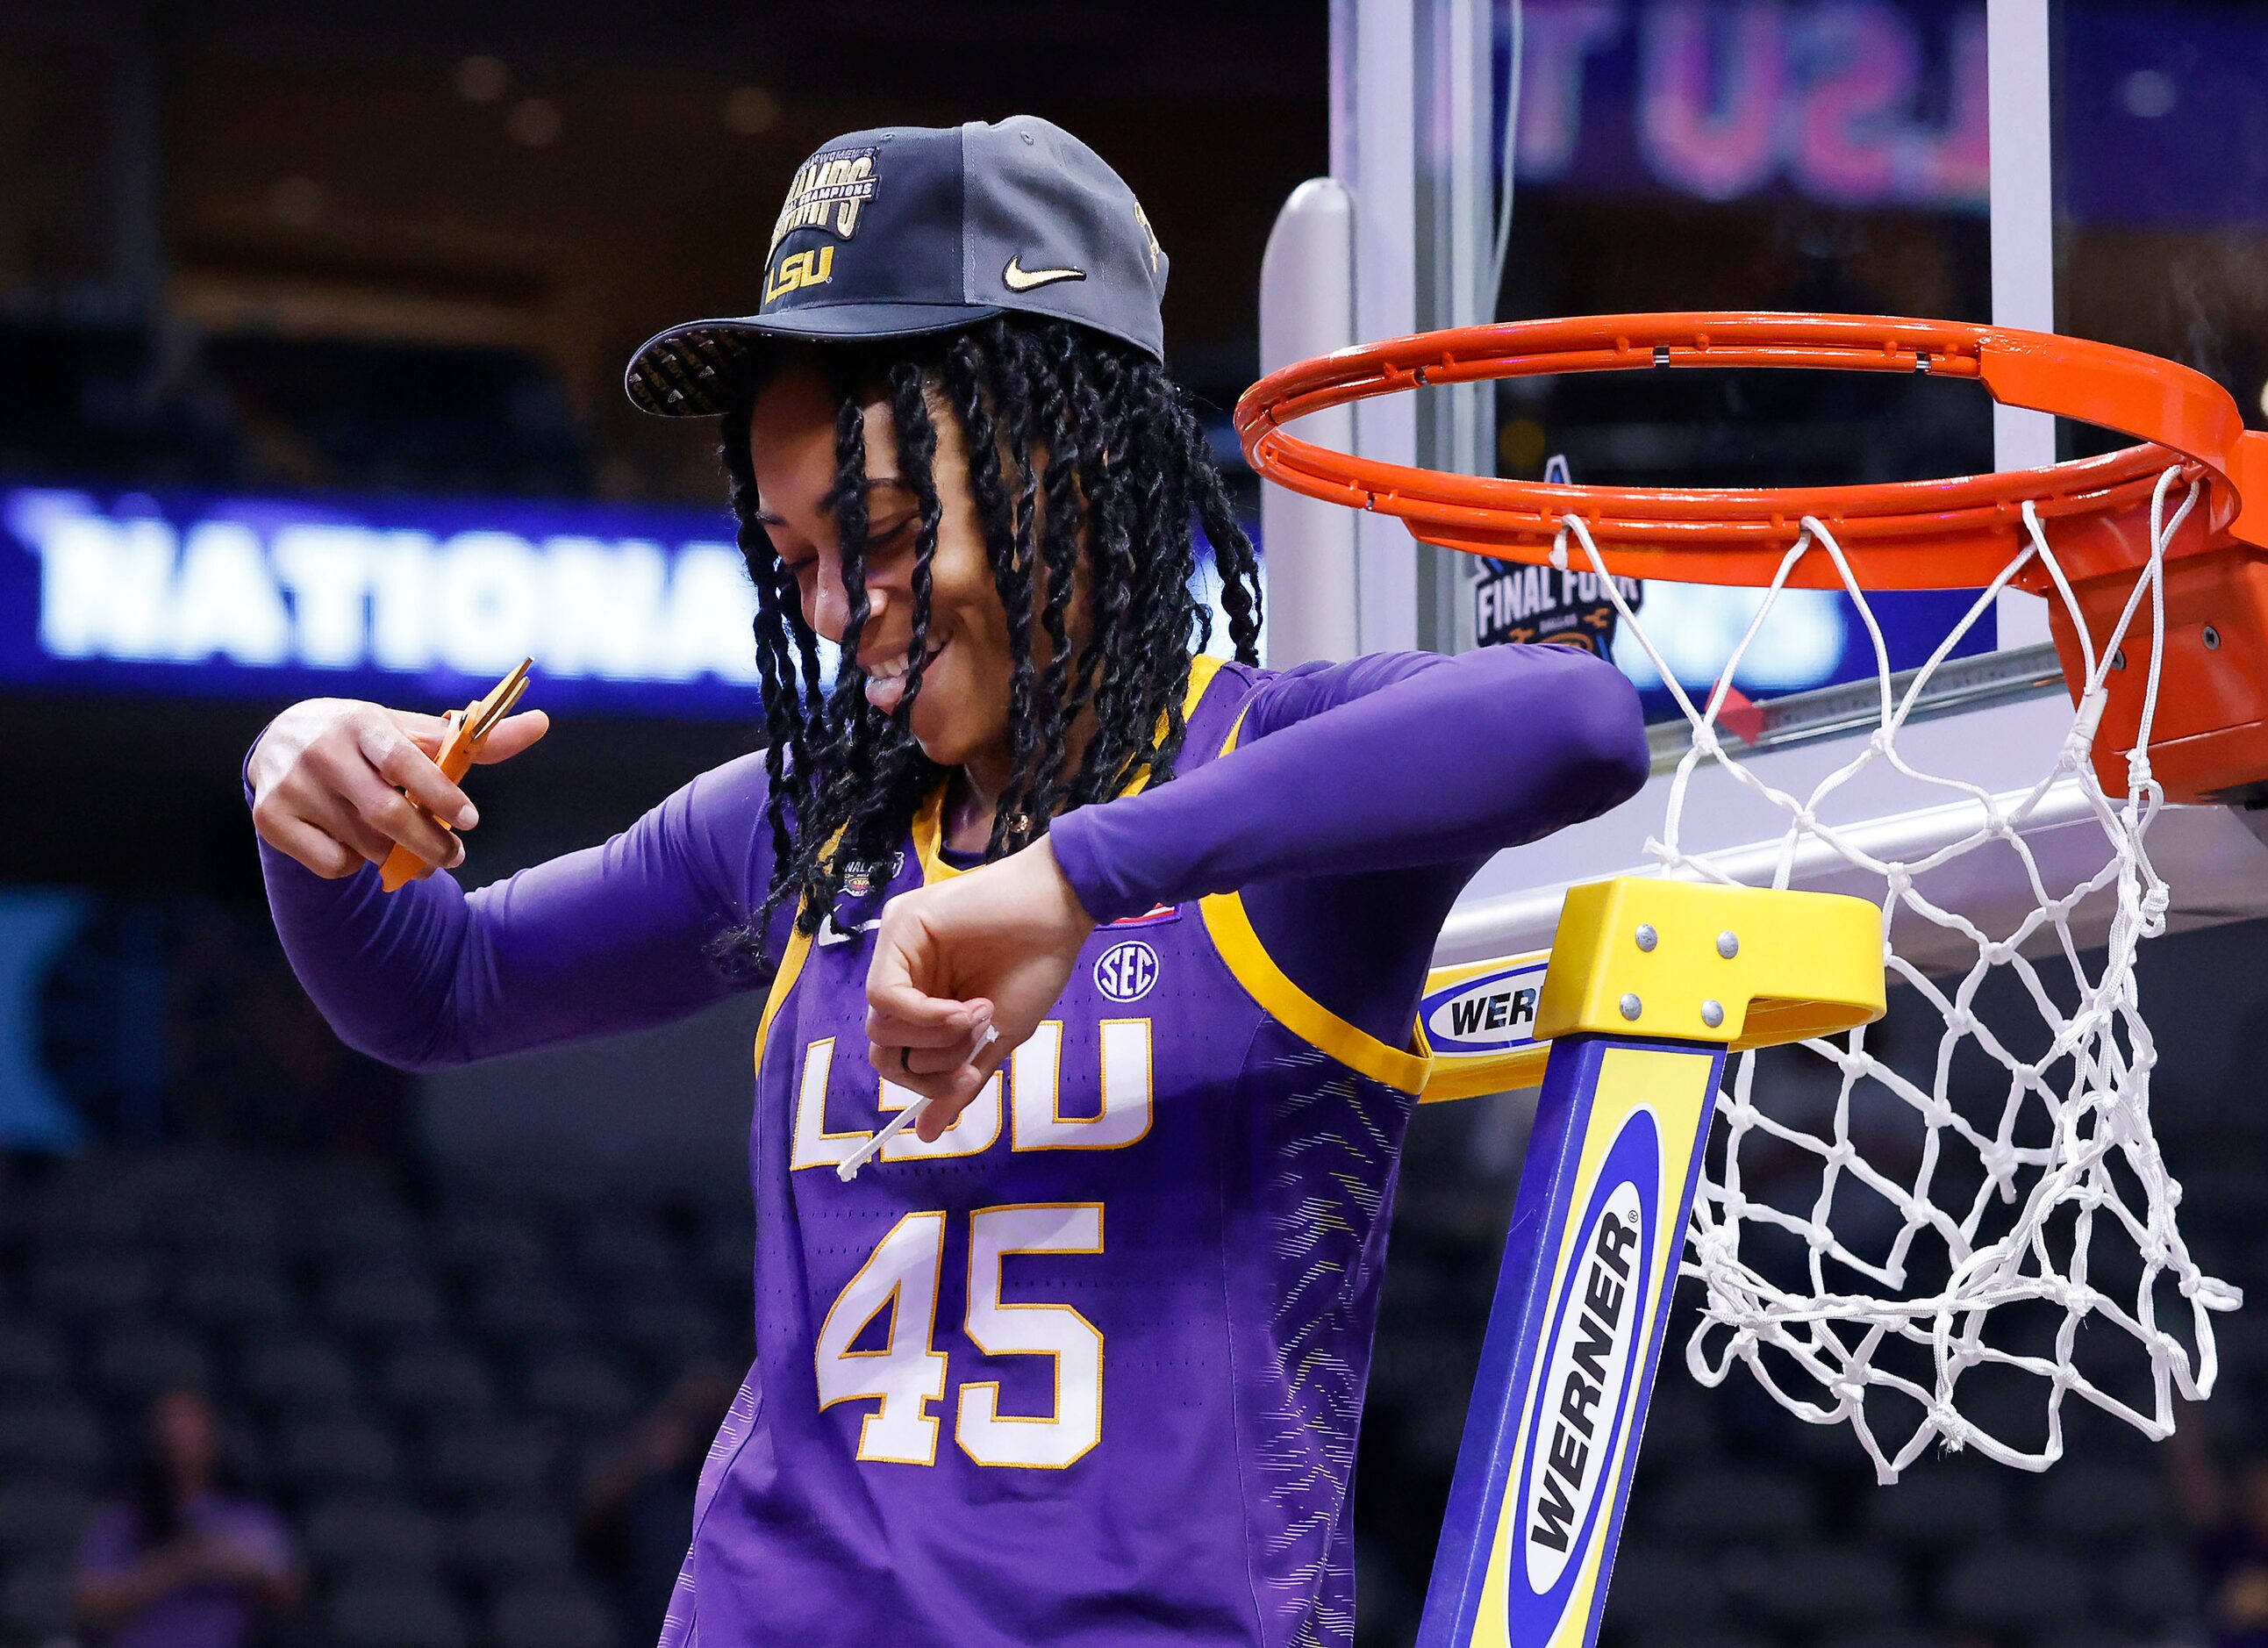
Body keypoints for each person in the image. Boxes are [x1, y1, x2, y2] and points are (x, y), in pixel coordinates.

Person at [246, 116, 1649, 1645]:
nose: (839, 607)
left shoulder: (1263, 783)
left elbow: (1571, 719)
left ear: (1066, 463)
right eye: (793, 562)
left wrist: (1076, 877)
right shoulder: (808, 827)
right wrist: (299, 781)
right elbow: (431, 989)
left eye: (887, 532)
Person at [74, 1388, 300, 1647]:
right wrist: (176, 1566)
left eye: (194, 1429)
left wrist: (238, 1564)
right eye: (174, 1429)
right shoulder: (124, 1518)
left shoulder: (248, 1517)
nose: (184, 1440)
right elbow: (89, 1600)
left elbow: (288, 1591)